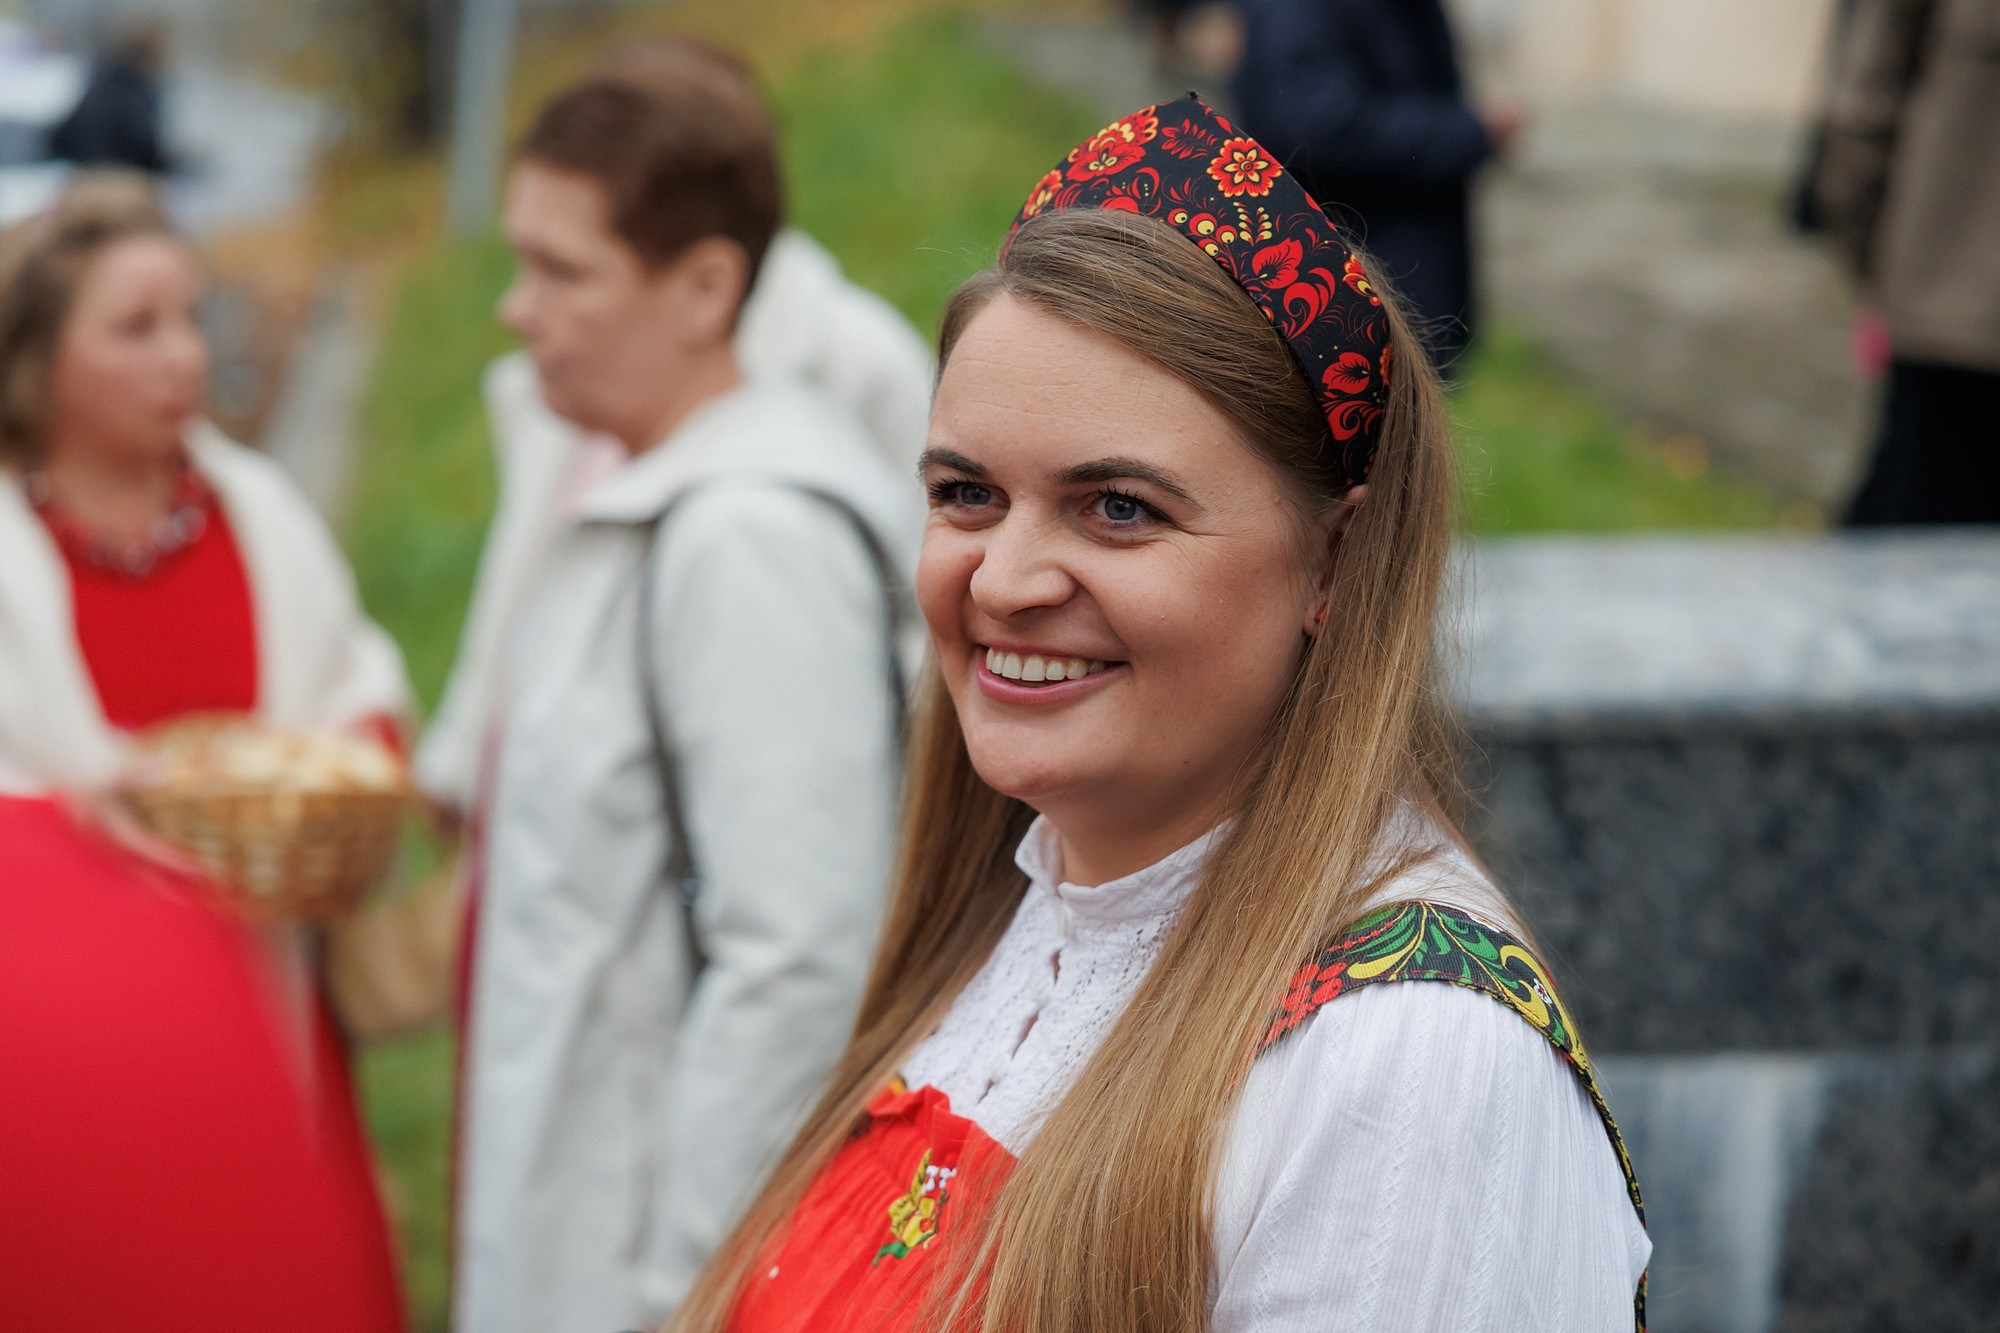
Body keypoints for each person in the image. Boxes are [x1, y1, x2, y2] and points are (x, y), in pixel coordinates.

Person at [668, 98, 1649, 1333]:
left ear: (1334, 563)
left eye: (1117, 507)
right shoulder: (1020, 906)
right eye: (966, 492)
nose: (1004, 580)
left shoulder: (1402, 1074)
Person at [435, 44, 920, 1333]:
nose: (513, 308)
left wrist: (687, 1286)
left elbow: (794, 954)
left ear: (706, 285)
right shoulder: (654, 490)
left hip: (648, 1264)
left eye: (561, 269)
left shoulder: (747, 533)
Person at [0, 174, 408, 1331]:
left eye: (190, 319)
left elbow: (358, 683)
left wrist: (352, 765)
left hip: (261, 1010)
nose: (184, 356)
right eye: (137, 328)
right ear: (37, 360)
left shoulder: (259, 510)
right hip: (56, 1060)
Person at [1228, 0, 1519, 368]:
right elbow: (1318, 130)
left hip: (1397, 269)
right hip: (1348, 282)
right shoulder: (1297, 11)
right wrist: (1471, 131)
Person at [1814, 0, 2000, 525]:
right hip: (1957, 324)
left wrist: (1879, 277)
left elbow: (1863, 108)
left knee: (1904, 567)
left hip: (1951, 306)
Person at [47, 22, 172, 174]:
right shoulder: (133, 89)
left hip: (83, 174)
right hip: (118, 177)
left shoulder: (101, 80)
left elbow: (61, 137)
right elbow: (141, 143)